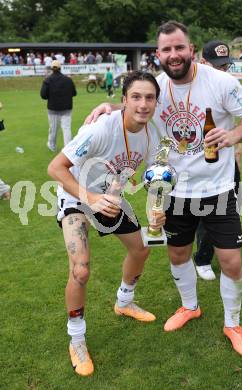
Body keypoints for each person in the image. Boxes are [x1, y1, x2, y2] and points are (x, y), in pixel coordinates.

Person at [85, 21, 242, 357]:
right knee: (178, 253)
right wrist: (108, 108)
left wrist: (233, 136)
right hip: (175, 191)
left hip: (218, 187)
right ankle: (189, 306)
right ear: (158, 54)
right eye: (166, 49)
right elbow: (136, 108)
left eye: (179, 47)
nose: (174, 54)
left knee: (231, 262)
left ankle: (233, 322)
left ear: (191, 48)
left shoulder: (220, 81)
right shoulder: (159, 86)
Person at [47, 71, 165, 376]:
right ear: (123, 100)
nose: (142, 104)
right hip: (76, 195)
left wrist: (156, 210)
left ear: (156, 102)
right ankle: (77, 338)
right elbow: (56, 167)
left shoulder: (151, 135)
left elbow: (154, 181)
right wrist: (90, 197)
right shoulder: (100, 129)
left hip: (109, 198)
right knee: (81, 268)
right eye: (135, 97)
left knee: (141, 249)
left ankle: (124, 302)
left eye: (149, 97)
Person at [194, 40, 242, 281]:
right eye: (217, 66)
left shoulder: (228, 85)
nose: (223, 70)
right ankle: (202, 259)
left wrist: (237, 148)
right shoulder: (193, 87)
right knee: (206, 211)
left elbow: (235, 119)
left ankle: (223, 253)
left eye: (225, 65)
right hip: (199, 163)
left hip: (226, 160)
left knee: (228, 210)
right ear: (203, 63)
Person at [40, 60, 77, 152]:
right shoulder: (68, 80)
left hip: (53, 109)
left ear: (52, 69)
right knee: (66, 128)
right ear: (60, 68)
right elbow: (74, 93)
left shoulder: (47, 80)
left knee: (53, 128)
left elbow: (43, 95)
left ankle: (52, 145)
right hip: (66, 109)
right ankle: (68, 148)